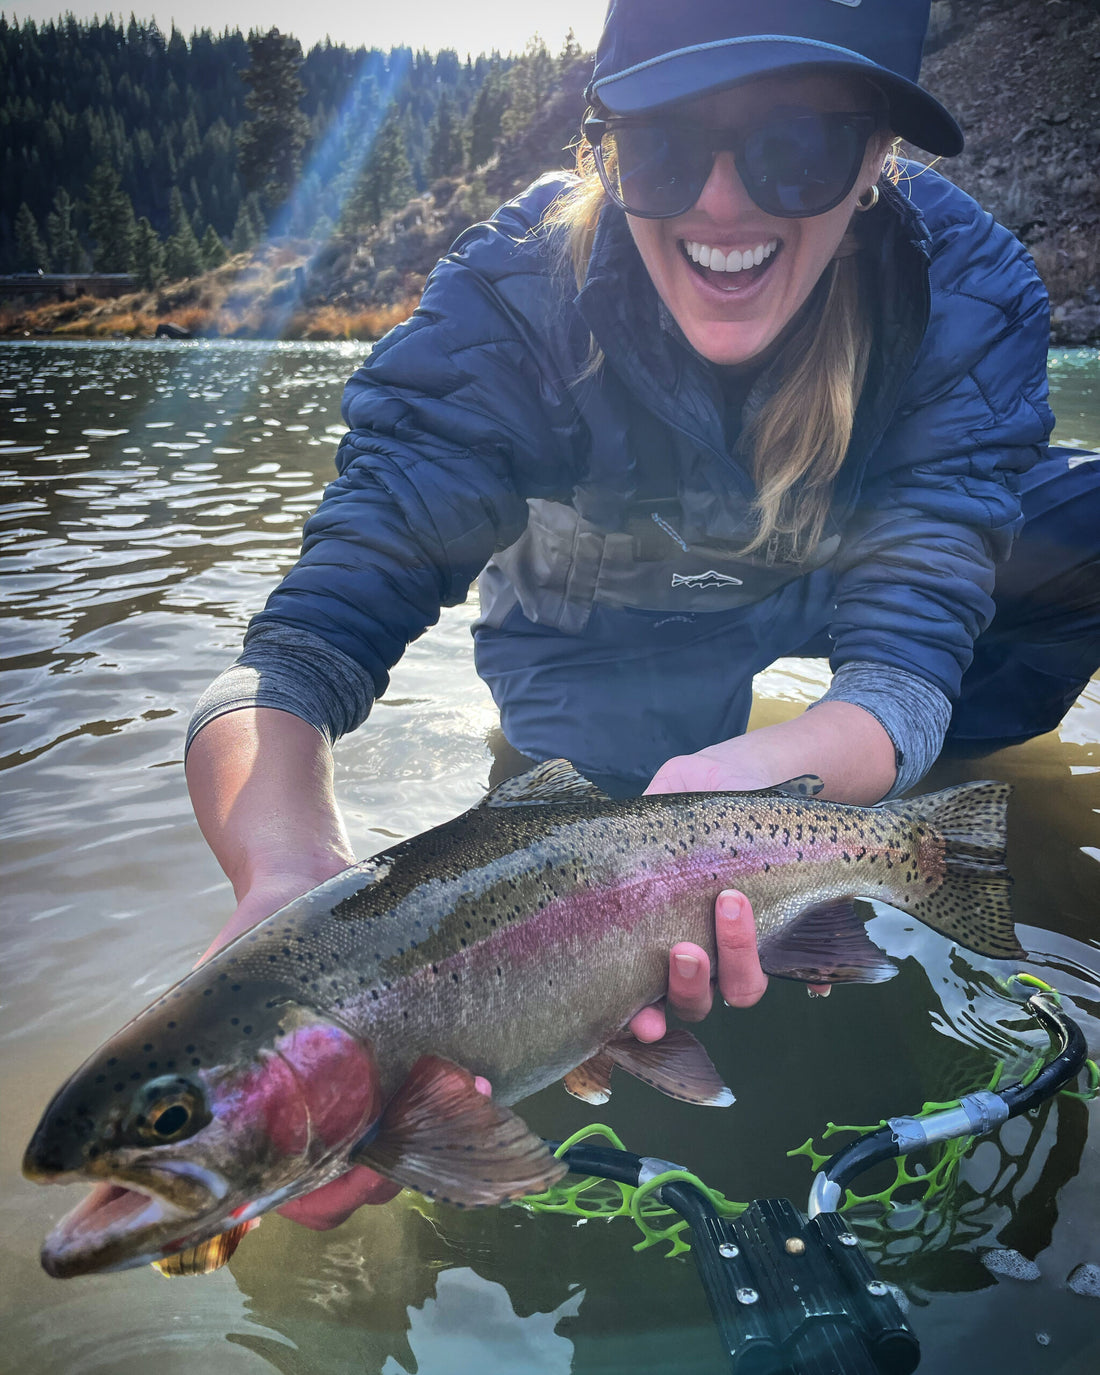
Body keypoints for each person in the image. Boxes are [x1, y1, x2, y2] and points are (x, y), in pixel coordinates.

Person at [185, 0, 1099, 1227]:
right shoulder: (502, 305)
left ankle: (946, 823)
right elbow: (305, 640)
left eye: (795, 146)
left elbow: (905, 651)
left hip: (835, 562)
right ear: (602, 152)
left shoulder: (966, 288)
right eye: (665, 148)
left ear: (878, 157)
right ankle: (780, 851)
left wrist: (777, 786)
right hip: (608, 629)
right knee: (611, 914)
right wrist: (279, 866)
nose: (720, 205)